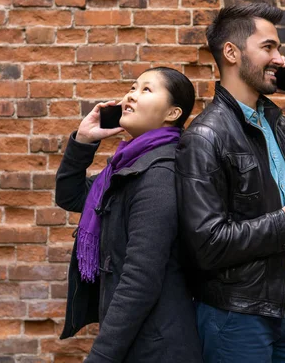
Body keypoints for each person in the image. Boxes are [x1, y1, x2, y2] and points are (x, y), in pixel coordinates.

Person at [175, 3, 285, 363]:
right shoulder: (205, 137)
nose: (280, 58)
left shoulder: (275, 123)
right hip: (235, 315)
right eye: (268, 47)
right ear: (232, 52)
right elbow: (207, 244)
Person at [56, 67, 202, 363]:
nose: (130, 95)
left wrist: (100, 357)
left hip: (158, 347)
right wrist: (84, 140)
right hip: (141, 341)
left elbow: (140, 280)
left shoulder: (159, 175)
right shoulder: (128, 169)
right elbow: (70, 195)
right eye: (132, 88)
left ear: (172, 113)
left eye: (146, 90)